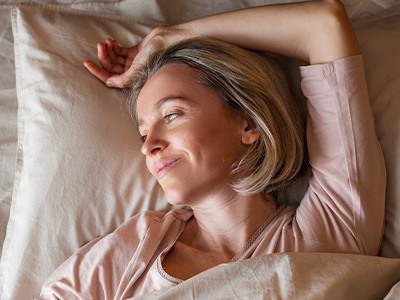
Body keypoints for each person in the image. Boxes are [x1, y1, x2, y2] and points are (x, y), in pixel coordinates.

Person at [37, 0, 386, 298]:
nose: (150, 147)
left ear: (248, 124)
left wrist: (167, 38)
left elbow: (323, 24)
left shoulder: (329, 229)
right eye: (144, 134)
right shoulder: (136, 248)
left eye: (172, 115)